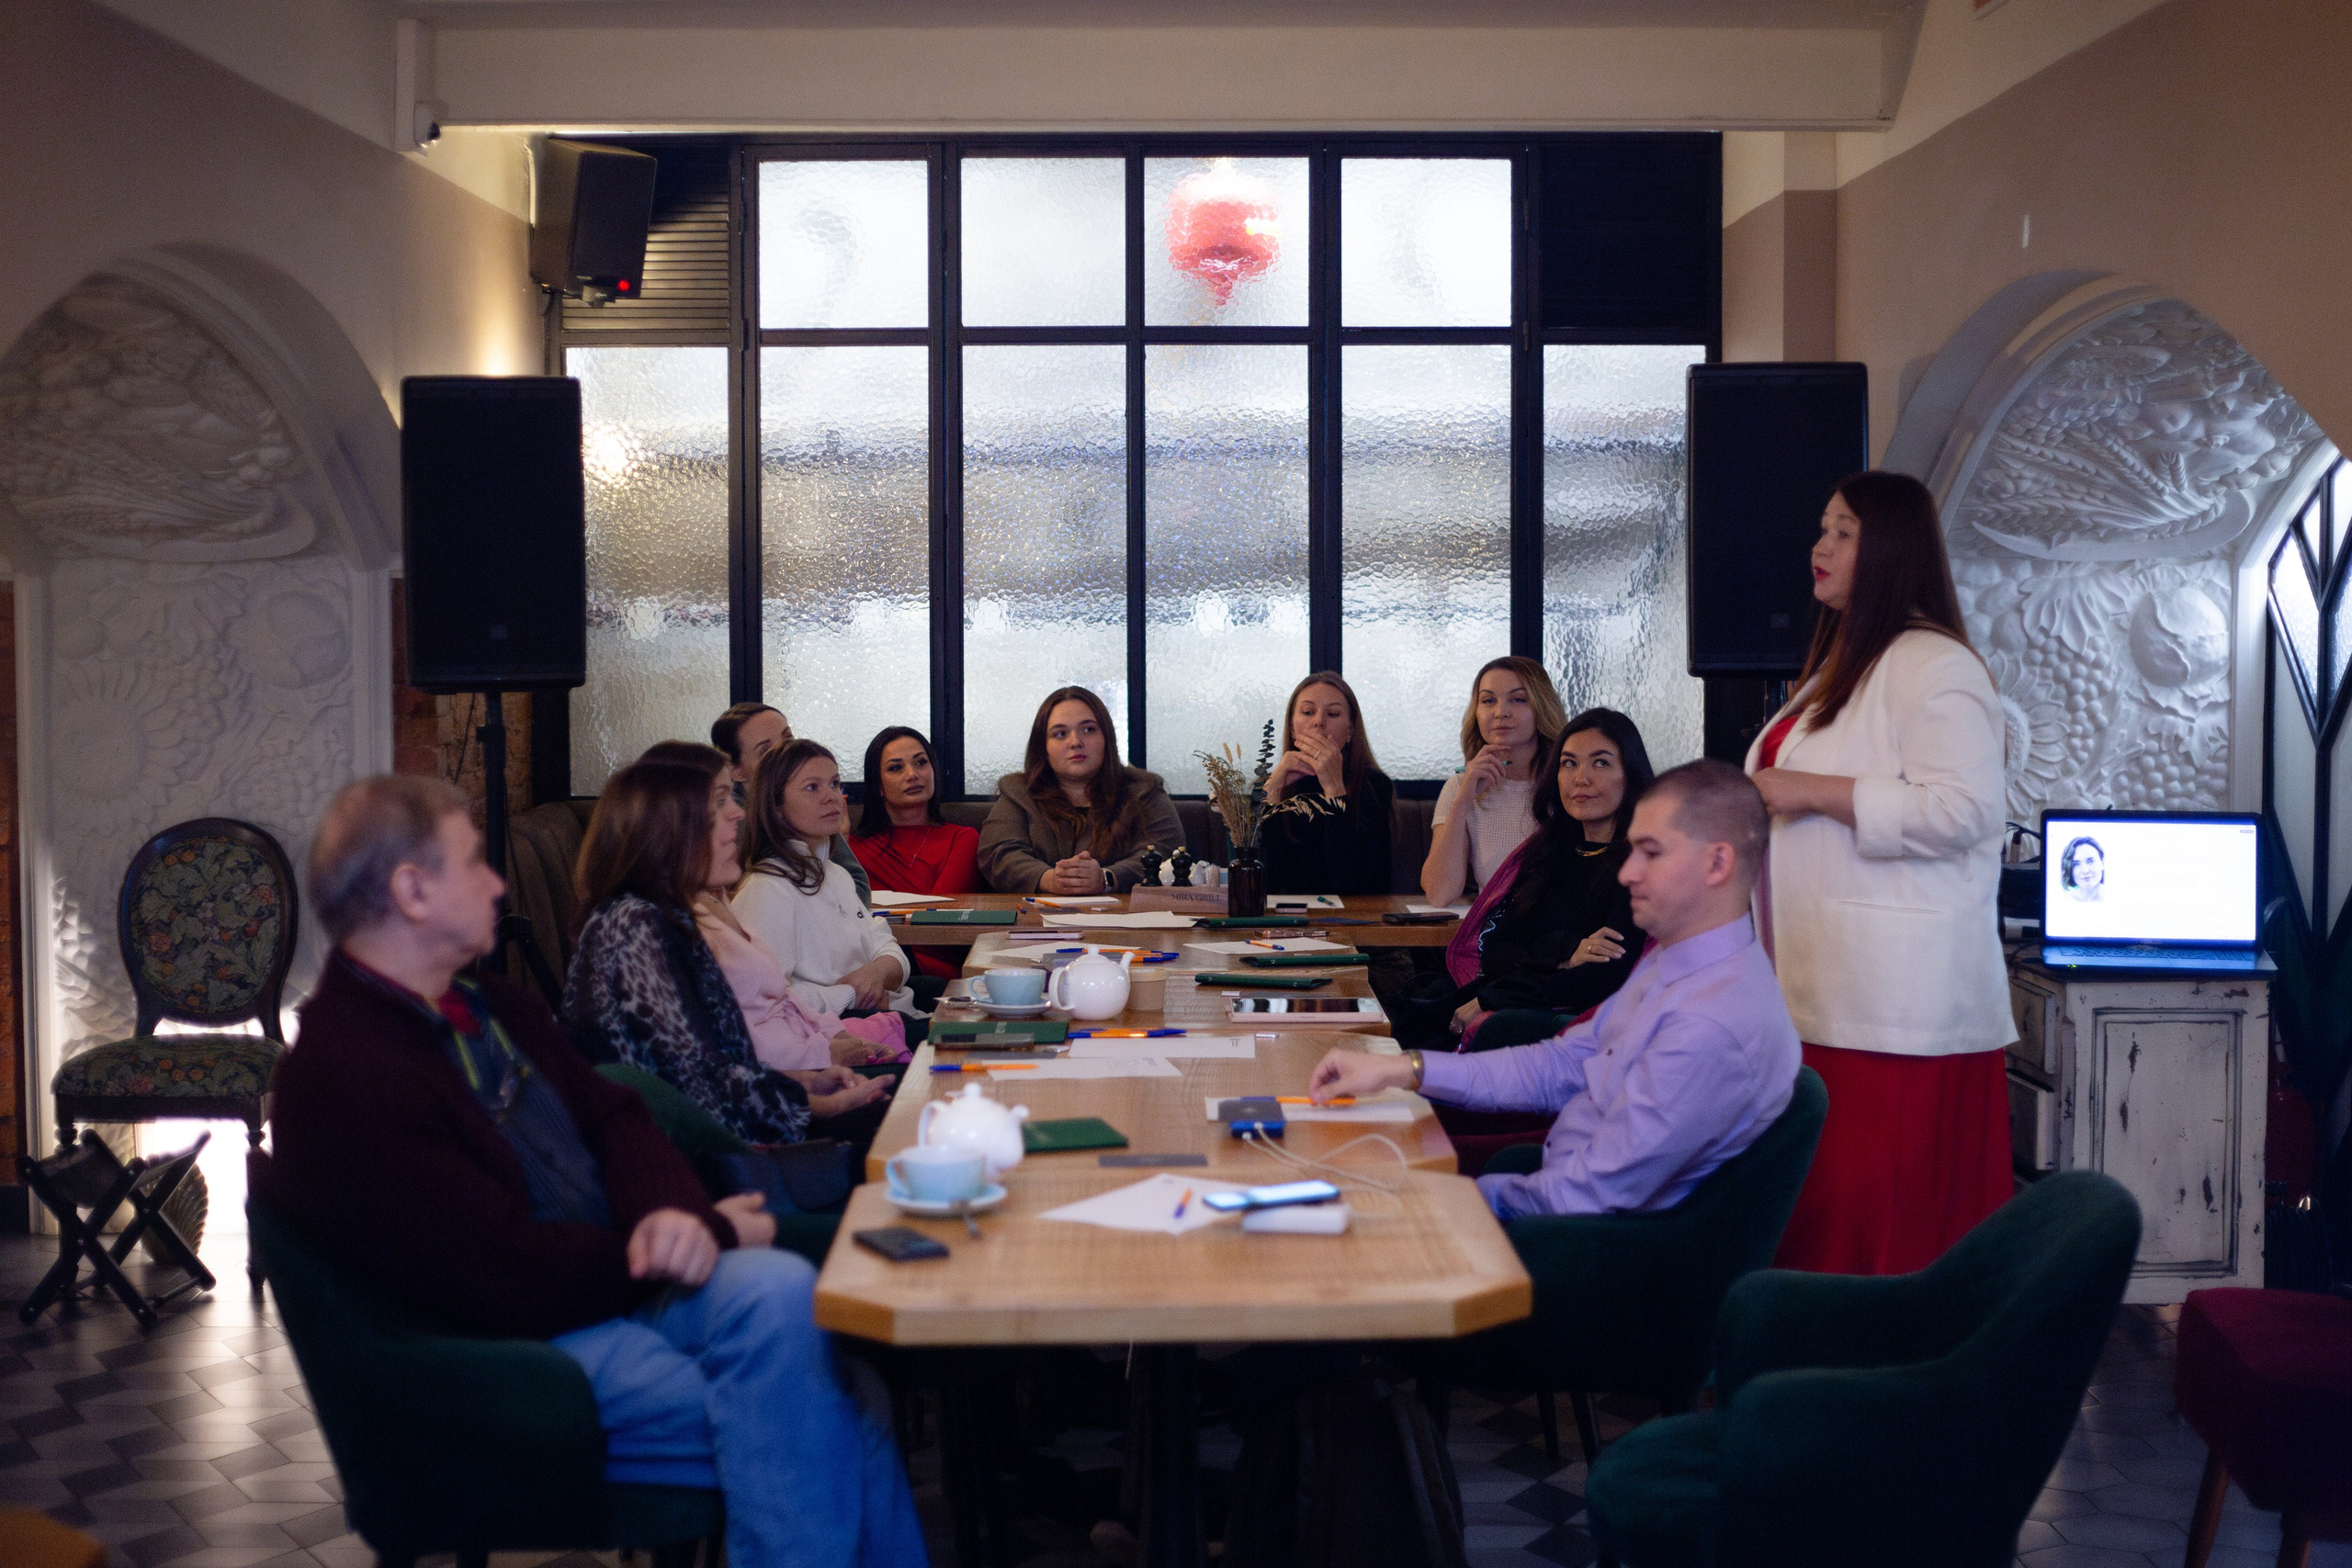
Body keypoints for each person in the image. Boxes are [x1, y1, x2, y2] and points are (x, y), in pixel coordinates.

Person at [261, 774, 926, 1568]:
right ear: (411, 889)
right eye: (475, 863)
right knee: (837, 1405)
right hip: (513, 1355)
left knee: (779, 1291)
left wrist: (669, 1214)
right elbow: (494, 1273)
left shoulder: (483, 1002)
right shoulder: (347, 1071)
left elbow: (619, 1114)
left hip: (603, 1282)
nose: (499, 884)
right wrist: (698, 1231)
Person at [1311, 761, 1799, 1221]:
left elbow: (1590, 1195)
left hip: (1583, 1252)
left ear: (1718, 864)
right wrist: (1404, 1069)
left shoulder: (1712, 1020)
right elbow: (1561, 1065)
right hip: (1553, 1193)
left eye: (1651, 853)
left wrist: (1442, 1199)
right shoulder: (1677, 963)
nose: (1627, 872)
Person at [1746, 468, 2014, 1277]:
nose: (1818, 547)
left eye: (1842, 531)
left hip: (1897, 1004)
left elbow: (1967, 811)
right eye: (1822, 528)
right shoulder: (1848, 663)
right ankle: (1803, 1374)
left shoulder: (1936, 665)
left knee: (1880, 1227)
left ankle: (1867, 1385)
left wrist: (1811, 791)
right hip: (1822, 986)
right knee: (1822, 1212)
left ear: (1891, 548)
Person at [563, 750, 893, 1145]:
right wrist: (819, 1105)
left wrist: (806, 1082)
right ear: (672, 826)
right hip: (734, 1166)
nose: (738, 812)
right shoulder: (635, 925)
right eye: (720, 801)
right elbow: (692, 1086)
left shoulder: (666, 915)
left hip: (751, 1135)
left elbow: (718, 1064)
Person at [1419, 707, 1656, 1047]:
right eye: (1569, 763)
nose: (1580, 779)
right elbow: (1496, 951)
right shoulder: (1546, 850)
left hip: (1587, 1021)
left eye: (1600, 763)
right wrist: (1565, 953)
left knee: (1494, 1028)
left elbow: (1604, 977)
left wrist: (1494, 998)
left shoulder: (1640, 864)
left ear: (1630, 774)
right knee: (1412, 1009)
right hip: (1518, 998)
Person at [736, 739, 925, 1022]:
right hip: (836, 1031)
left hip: (884, 1011)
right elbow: (765, 999)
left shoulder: (836, 874)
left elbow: (885, 945)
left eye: (835, 784)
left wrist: (875, 973)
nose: (831, 797)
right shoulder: (767, 887)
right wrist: (853, 993)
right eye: (813, 787)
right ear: (776, 807)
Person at [978, 686, 1185, 894]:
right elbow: (999, 854)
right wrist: (1049, 879)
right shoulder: (1018, 792)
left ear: (1107, 737)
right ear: (1043, 746)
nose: (1075, 742)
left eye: (1088, 730)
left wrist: (1107, 878)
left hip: (1124, 919)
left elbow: (1165, 851)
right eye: (1060, 734)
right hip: (1036, 918)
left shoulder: (1145, 790)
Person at [1420, 657, 1568, 905]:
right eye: (1488, 700)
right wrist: (1463, 801)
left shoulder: (1568, 782)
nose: (1501, 712)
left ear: (1541, 707)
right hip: (1492, 938)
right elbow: (1439, 893)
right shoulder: (1459, 787)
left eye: (1518, 699)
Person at [847, 728, 982, 980]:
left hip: (934, 970)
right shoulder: (851, 848)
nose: (913, 774)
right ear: (878, 786)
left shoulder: (962, 839)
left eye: (921, 762)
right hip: (867, 964)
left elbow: (938, 923)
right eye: (896, 768)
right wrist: (838, 839)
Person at [711, 703, 872, 908]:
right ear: (736, 771)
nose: (787, 753)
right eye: (767, 751)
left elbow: (857, 887)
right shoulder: (730, 821)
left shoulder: (814, 802)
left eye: (788, 739)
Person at [1257, 671, 1395, 897]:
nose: (1319, 721)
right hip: (1289, 922)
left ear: (1350, 730)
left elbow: (1353, 884)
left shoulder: (1374, 785)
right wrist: (1271, 795)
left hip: (1353, 919)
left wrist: (1334, 789)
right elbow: (1266, 884)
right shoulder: (1278, 784)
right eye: (1308, 712)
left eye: (1333, 713)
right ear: (1292, 729)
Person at [2060, 836, 2105, 900]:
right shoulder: (2063, 901)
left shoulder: (2117, 897)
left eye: (2090, 861)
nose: (2085, 871)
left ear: (2102, 864)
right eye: (2076, 864)